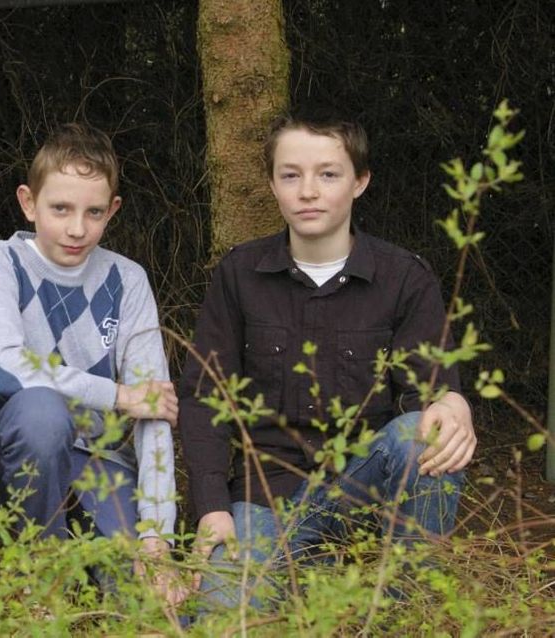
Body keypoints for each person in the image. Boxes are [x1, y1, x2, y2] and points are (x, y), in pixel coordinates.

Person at [178, 107, 477, 609]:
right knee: (224, 617)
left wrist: (453, 402)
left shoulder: (404, 277)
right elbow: (206, 397)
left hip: (365, 492)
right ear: (272, 185)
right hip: (267, 495)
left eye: (328, 175)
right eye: (290, 175)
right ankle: (297, 570)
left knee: (425, 431)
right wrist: (212, 508)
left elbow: (428, 389)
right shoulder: (240, 274)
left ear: (360, 182)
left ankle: (404, 610)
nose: (308, 191)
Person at [0, 123, 184, 605]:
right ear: (28, 202)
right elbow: (5, 369)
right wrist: (118, 396)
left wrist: (155, 535)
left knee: (149, 599)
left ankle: (107, 564)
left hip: (98, 461)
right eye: (60, 208)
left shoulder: (128, 280)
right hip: (9, 451)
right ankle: (46, 583)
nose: (77, 228)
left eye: (94, 212)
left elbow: (155, 408)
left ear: (112, 210)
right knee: (41, 410)